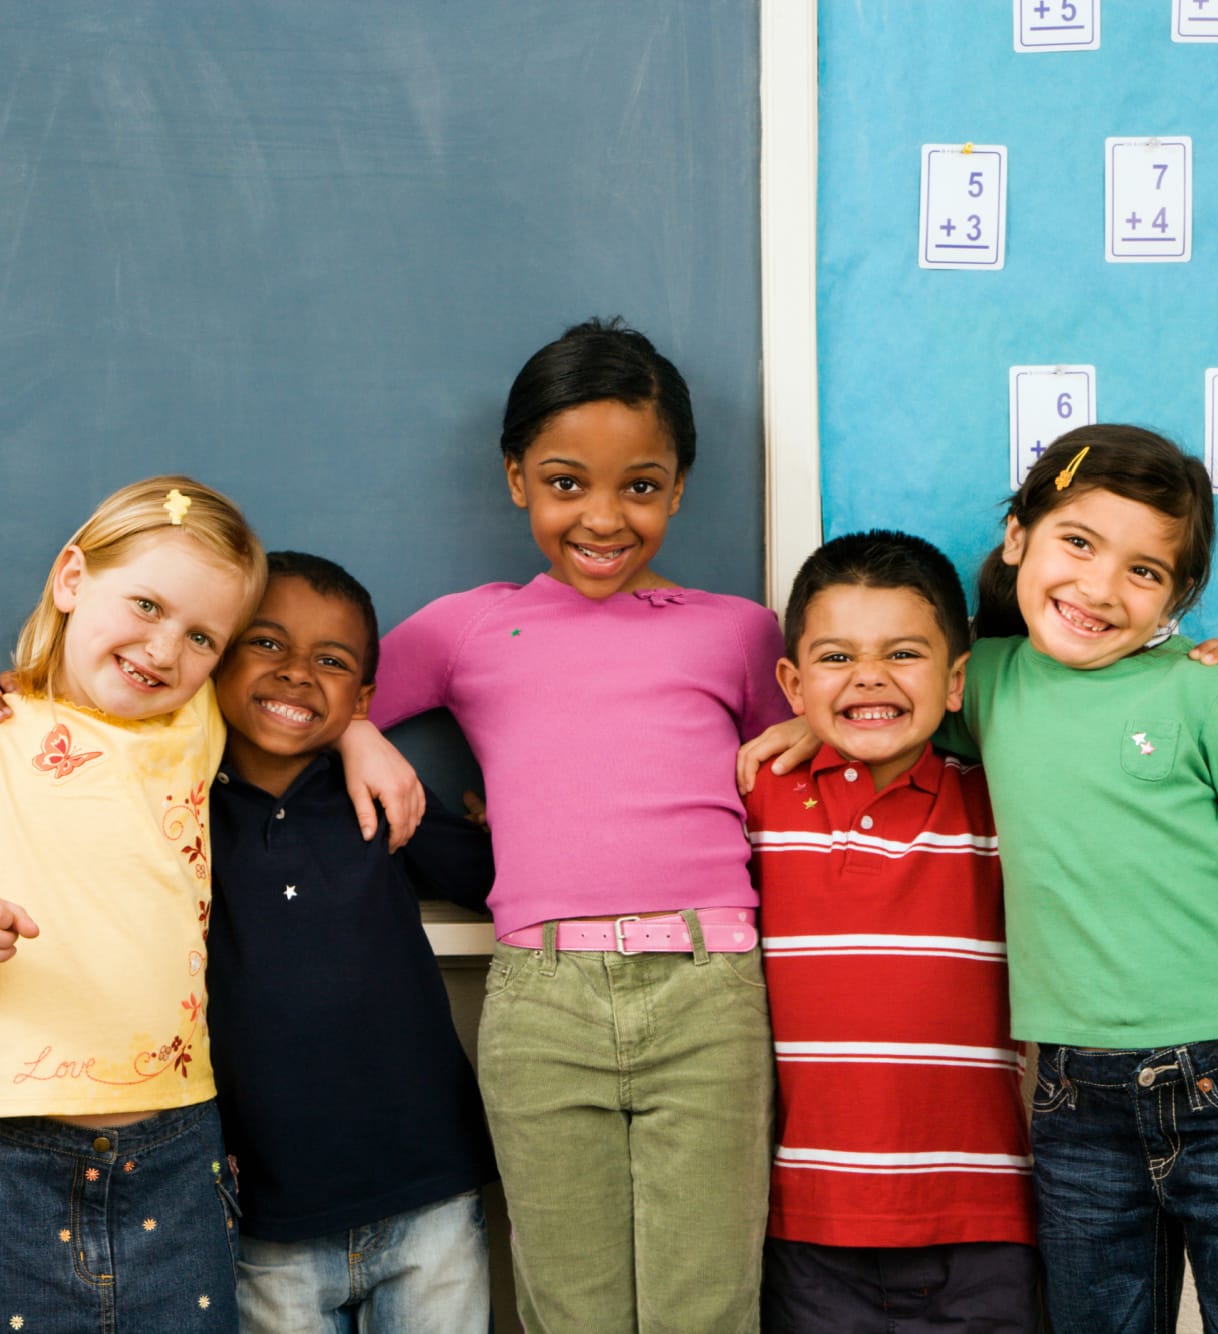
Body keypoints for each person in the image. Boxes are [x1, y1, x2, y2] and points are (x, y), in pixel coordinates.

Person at [744, 424, 1218, 1334]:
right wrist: (812, 726)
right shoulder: (985, 683)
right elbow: (886, 702)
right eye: (1079, 543)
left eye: (1145, 572)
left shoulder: (1207, 694)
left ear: (1178, 598)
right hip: (1074, 1103)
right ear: (1018, 539)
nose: (1101, 588)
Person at [335, 318, 792, 1333]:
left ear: (676, 487)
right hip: (542, 999)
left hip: (708, 990)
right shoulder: (464, 627)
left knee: (705, 1306)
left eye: (639, 485)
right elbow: (307, 699)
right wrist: (360, 738)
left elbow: (810, 767)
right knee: (568, 1306)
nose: (602, 515)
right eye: (564, 481)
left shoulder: (739, 632)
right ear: (515, 480)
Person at [0, 476, 267, 1331]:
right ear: (70, 579)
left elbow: (293, 697)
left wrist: (357, 735)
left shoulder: (194, 724)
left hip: (179, 1150)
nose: (165, 649)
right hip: (14, 1160)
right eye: (145, 604)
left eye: (202, 635)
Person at [748, 530, 1038, 1332]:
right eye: (836, 658)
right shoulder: (757, 804)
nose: (869, 677)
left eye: (902, 654)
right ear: (791, 681)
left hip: (981, 1228)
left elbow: (1081, 717)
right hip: (807, 1232)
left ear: (957, 681)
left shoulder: (1002, 802)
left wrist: (1188, 664)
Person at [207, 552, 498, 1332]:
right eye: (266, 644)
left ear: (362, 697)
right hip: (267, 1218)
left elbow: (491, 879)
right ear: (214, 653)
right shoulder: (174, 801)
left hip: (428, 1191)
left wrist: (501, 815)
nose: (297, 673)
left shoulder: (379, 793)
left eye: (330, 661)